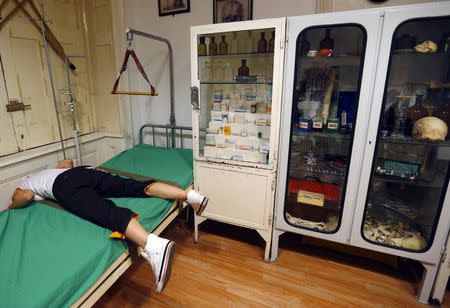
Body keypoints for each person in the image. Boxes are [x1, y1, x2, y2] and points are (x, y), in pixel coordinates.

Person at [8, 159, 208, 293]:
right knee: (136, 186)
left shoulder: (25, 184)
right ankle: (192, 197)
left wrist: (12, 205)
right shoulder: (50, 170)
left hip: (64, 186)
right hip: (84, 172)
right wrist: (64, 170)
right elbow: (67, 162)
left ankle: (153, 246)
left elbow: (22, 197)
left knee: (103, 211)